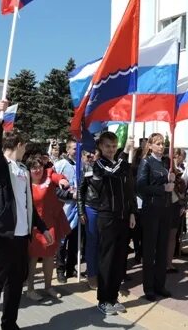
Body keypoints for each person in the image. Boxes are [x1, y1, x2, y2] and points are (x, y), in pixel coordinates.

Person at [0, 100, 52, 330]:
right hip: (2, 234)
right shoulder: (2, 166)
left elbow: (27, 204)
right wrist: (0, 117)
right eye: (25, 146)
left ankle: (9, 323)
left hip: (22, 236)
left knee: (15, 282)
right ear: (18, 144)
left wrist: (42, 227)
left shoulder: (23, 169)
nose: (26, 149)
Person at [80, 132, 136, 316]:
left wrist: (132, 213)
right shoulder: (98, 165)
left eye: (114, 146)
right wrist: (126, 152)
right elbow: (112, 172)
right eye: (107, 147)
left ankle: (113, 297)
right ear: (101, 148)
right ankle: (103, 299)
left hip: (122, 217)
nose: (111, 150)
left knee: (120, 259)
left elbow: (129, 191)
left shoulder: (121, 165)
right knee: (107, 259)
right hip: (107, 217)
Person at [25, 156, 71, 301]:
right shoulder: (24, 184)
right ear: (28, 170)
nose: (37, 170)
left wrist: (62, 180)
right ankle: (30, 289)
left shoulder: (49, 176)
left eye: (39, 166)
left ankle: (48, 286)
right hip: (33, 226)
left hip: (50, 224)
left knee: (50, 256)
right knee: (32, 258)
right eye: (33, 168)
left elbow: (57, 177)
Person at [136, 133, 174, 302]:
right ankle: (149, 287)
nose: (161, 147)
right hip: (151, 210)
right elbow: (140, 187)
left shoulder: (166, 162)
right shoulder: (146, 162)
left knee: (162, 248)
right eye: (158, 144)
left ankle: (160, 284)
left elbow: (168, 184)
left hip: (165, 209)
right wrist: (162, 189)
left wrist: (172, 178)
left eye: (163, 143)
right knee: (150, 250)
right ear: (150, 146)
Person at [54, 140, 81, 284]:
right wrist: (69, 195)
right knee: (62, 241)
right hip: (64, 208)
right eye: (74, 148)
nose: (77, 151)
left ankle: (71, 267)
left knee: (75, 240)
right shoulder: (60, 165)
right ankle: (60, 269)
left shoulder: (81, 165)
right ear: (68, 150)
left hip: (77, 208)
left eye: (79, 149)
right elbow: (55, 187)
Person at [78, 149, 101, 291]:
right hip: (91, 207)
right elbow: (81, 190)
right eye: (91, 153)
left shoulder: (109, 166)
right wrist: (81, 211)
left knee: (103, 243)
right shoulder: (87, 168)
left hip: (106, 209)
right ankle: (92, 274)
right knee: (92, 242)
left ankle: (101, 272)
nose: (93, 155)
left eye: (95, 153)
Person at [167, 148, 187, 272]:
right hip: (165, 205)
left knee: (172, 235)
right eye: (173, 156)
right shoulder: (166, 168)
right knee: (165, 236)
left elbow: (182, 187)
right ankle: (162, 262)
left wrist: (183, 204)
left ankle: (169, 263)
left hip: (176, 205)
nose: (176, 159)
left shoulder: (180, 170)